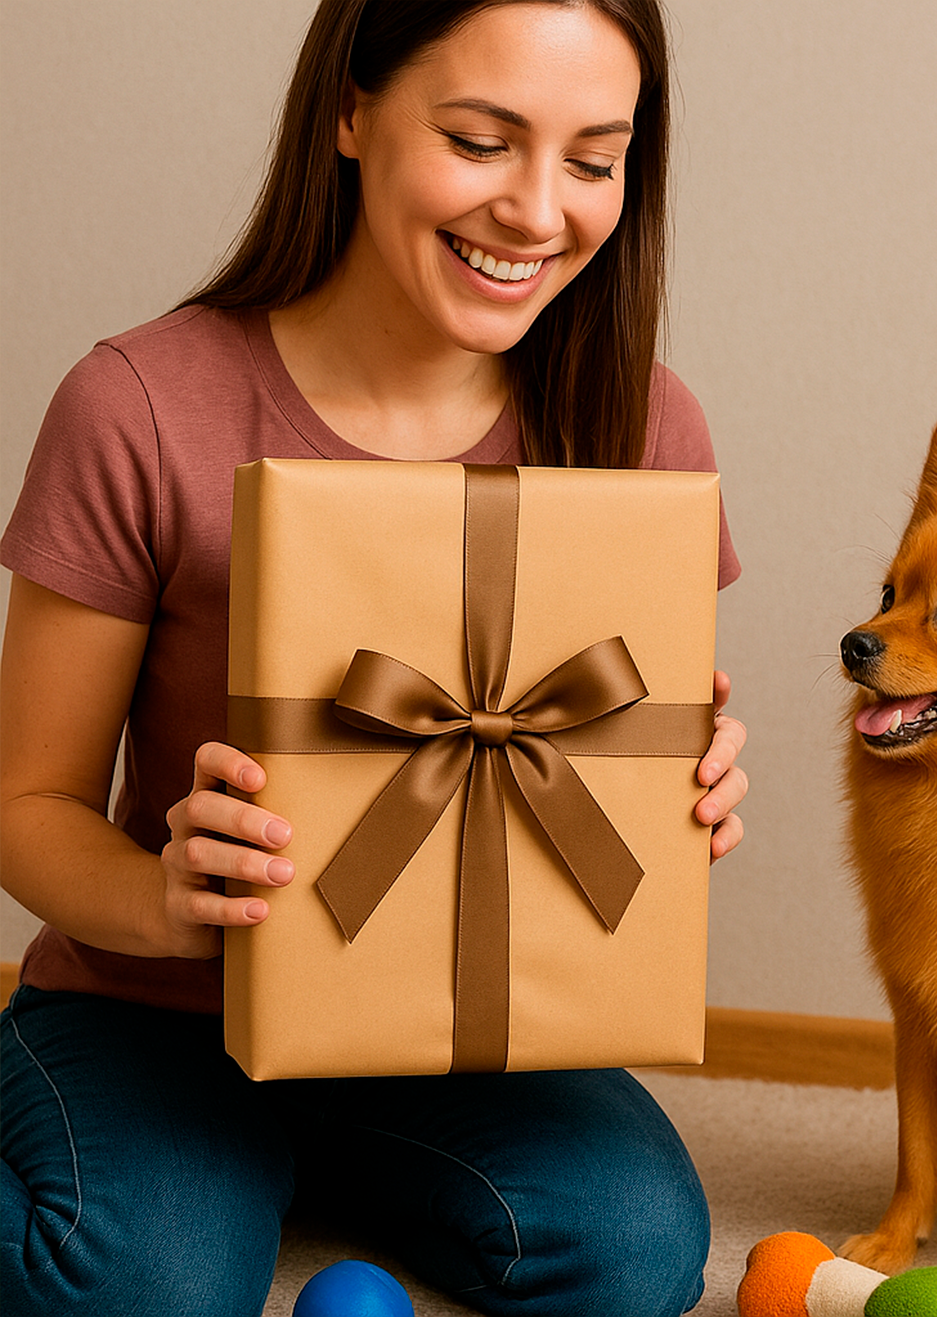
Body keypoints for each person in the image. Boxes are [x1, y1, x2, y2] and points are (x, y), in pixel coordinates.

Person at [0, 2, 748, 1313]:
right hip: (154, 1017)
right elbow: (24, 808)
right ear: (349, 113)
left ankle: (288, 1174)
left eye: (592, 159)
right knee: (148, 1288)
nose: (534, 210)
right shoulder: (141, 404)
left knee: (634, 1253)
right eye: (479, 140)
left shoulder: (638, 417)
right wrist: (164, 898)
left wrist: (690, 786)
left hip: (469, 1040)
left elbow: (624, 757)